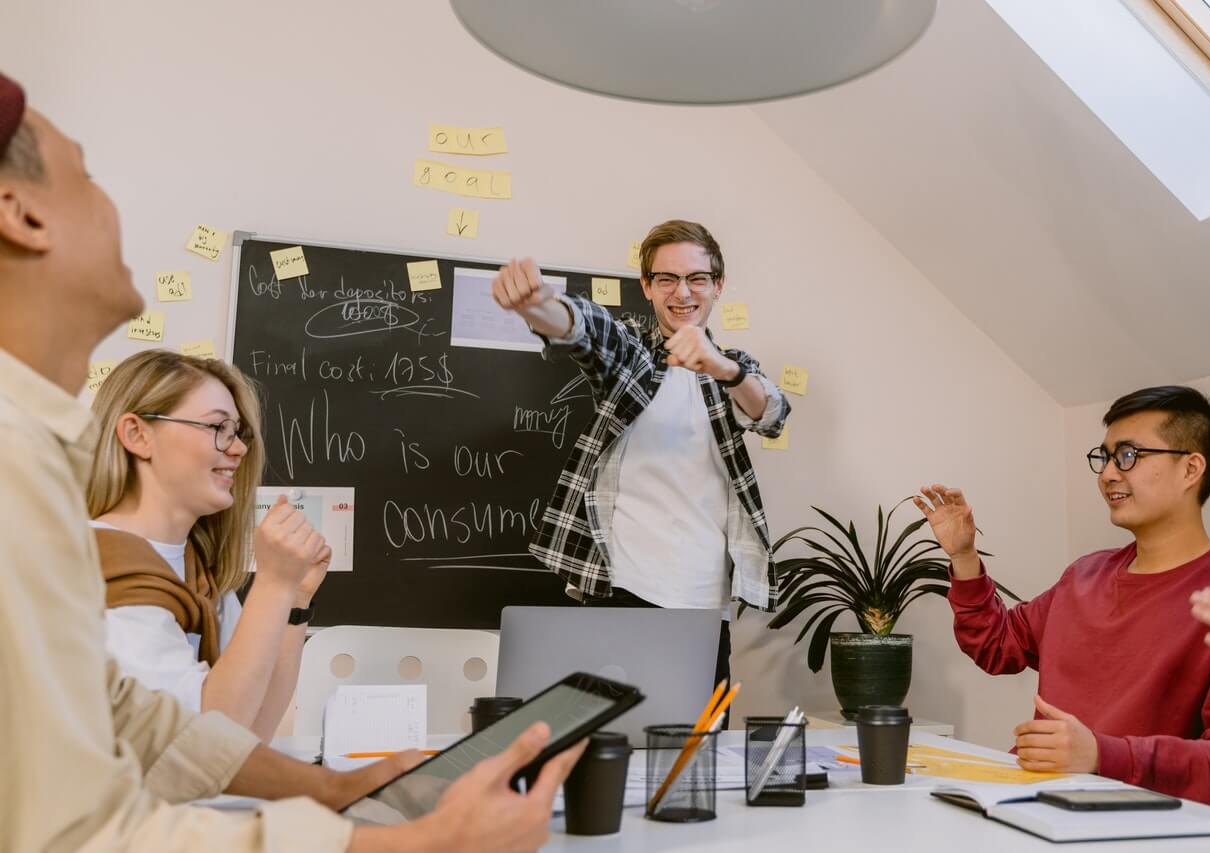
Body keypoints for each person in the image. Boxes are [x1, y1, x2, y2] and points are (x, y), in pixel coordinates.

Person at [0, 70, 582, 852]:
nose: (235, 450)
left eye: (239, 432)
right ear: (22, 213)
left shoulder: (41, 468)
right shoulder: (18, 474)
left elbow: (152, 730)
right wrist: (408, 844)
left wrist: (340, 784)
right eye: (89, 177)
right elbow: (85, 829)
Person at [914, 385, 1210, 815]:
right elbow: (998, 646)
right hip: (1028, 808)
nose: (1107, 474)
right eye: (1104, 457)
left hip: (1142, 832)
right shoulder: (1086, 575)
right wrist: (963, 556)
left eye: (1128, 456)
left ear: (1190, 468)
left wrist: (1103, 755)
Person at [491, 220, 790, 685]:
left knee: (699, 753)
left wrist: (719, 367)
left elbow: (771, 413)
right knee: (619, 746)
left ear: (718, 286)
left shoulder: (734, 369)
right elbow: (586, 330)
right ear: (647, 287)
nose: (683, 292)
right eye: (666, 279)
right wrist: (540, 307)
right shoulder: (634, 355)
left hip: (706, 608)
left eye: (697, 278)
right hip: (623, 592)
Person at [88, 349, 329, 741]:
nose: (239, 449)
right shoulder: (100, 571)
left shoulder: (199, 577)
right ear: (137, 435)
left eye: (237, 432)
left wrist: (296, 598)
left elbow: (252, 732)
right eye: (218, 428)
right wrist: (273, 585)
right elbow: (207, 742)